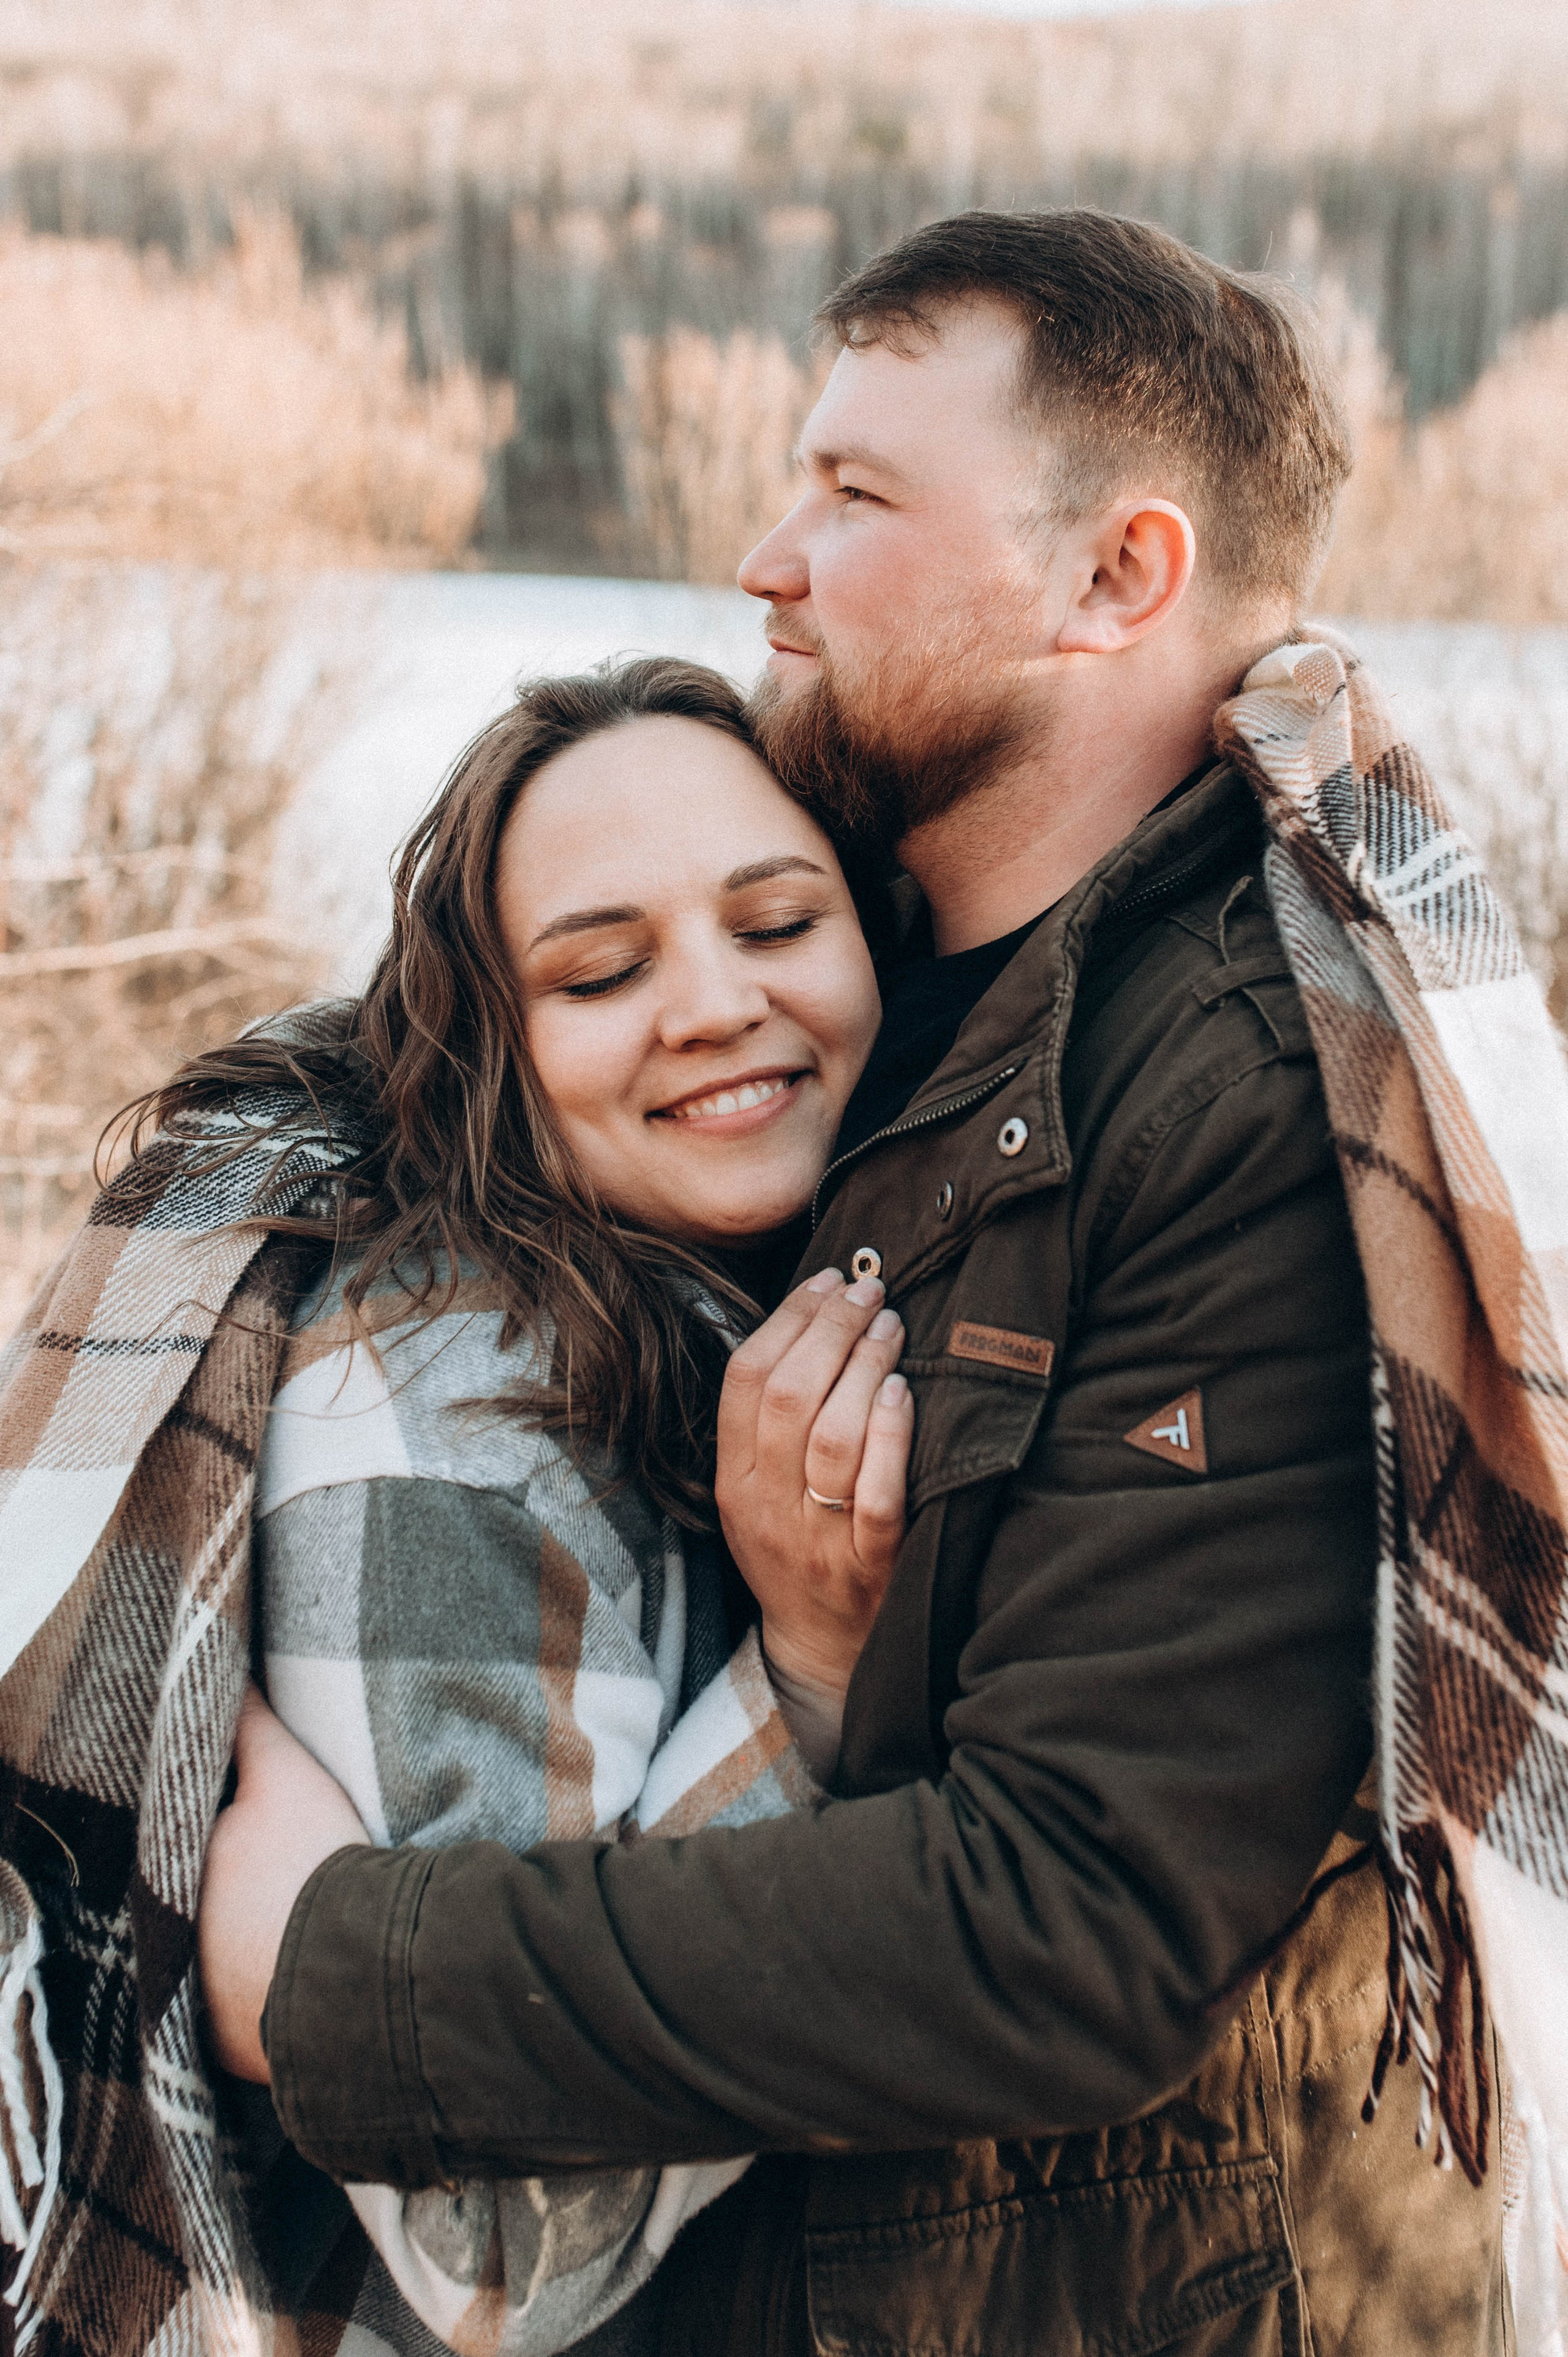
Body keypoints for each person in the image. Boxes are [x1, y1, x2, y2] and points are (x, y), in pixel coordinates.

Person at [201, 213, 1529, 2354]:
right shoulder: (877, 978)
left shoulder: (1253, 1100)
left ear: (1119, 577)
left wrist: (336, 1981)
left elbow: (1071, 1925)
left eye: (853, 492)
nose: (767, 560)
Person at [0, 659, 918, 2357]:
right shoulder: (449, 1404)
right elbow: (493, 2245)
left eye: (779, 923)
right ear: (496, 1046)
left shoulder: (692, 1294)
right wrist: (806, 1672)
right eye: (602, 971)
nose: (715, 1003)